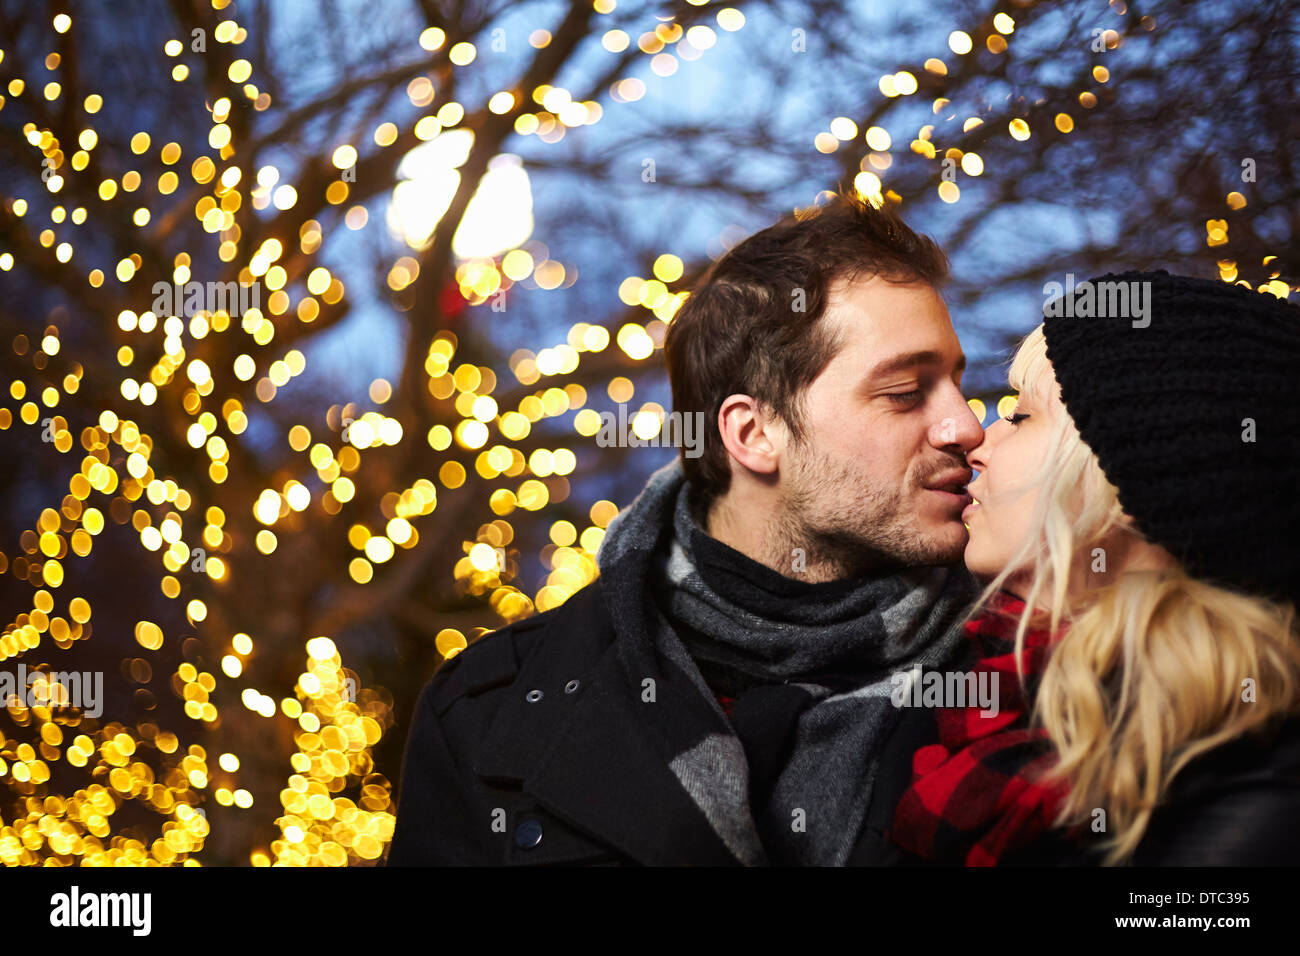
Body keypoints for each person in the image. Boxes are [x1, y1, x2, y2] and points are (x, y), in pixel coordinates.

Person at [385, 190, 987, 865]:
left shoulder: (1040, 685)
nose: (965, 426)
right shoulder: (488, 708)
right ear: (754, 434)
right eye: (906, 392)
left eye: (960, 385)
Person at [872, 270, 1300, 865]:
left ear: (1127, 484)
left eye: (1021, 417)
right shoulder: (959, 705)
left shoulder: (1255, 799)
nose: (977, 442)